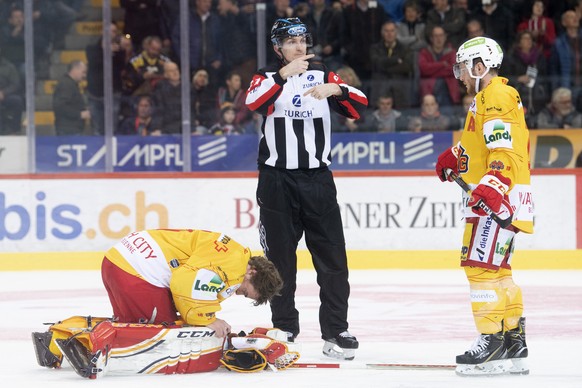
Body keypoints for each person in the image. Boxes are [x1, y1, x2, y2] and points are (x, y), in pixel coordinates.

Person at [245, 17, 368, 361]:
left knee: (332, 258)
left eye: (303, 40)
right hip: (277, 181)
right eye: (291, 41)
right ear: (278, 48)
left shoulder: (324, 73)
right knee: (280, 260)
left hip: (317, 180)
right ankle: (284, 328)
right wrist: (283, 76)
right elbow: (253, 102)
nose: (300, 47)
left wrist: (337, 89)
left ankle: (336, 330)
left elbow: (360, 104)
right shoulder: (267, 77)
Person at [31, 229, 287, 378]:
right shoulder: (232, 267)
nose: (239, 292)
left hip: (120, 262)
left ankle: (56, 337)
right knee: (162, 329)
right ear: (252, 273)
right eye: (246, 292)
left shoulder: (235, 255)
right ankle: (88, 348)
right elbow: (185, 284)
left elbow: (189, 282)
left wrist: (204, 314)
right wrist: (208, 319)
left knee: (131, 325)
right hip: (135, 272)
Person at [435, 36, 534, 376]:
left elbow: (502, 150)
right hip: (505, 196)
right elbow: (483, 144)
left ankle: (491, 341)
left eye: (463, 67)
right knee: (499, 271)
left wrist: (493, 186)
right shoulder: (488, 97)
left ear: (479, 66)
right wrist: (457, 157)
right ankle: (512, 341)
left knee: (479, 267)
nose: (459, 73)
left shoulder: (494, 96)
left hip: (495, 199)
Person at [52, 60, 90, 136]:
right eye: (83, 72)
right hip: (68, 129)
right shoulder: (66, 84)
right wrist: (79, 114)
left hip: (71, 128)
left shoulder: (71, 84)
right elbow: (60, 106)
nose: (84, 75)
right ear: (75, 70)